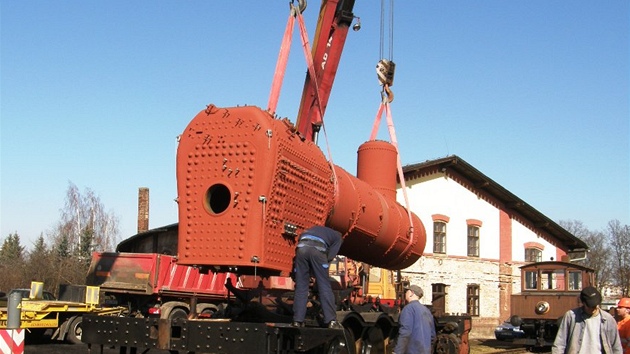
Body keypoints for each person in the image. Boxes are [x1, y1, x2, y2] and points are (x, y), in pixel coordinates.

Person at [291, 225, 343, 329]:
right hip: (317, 250)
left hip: (301, 249)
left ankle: (297, 321)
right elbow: (330, 256)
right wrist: (319, 269)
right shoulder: (338, 237)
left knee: (301, 286)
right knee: (324, 286)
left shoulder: (315, 229)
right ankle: (331, 321)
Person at [552, 286, 622, 354]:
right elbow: (560, 343)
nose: (594, 308)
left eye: (595, 305)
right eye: (590, 306)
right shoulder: (571, 316)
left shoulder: (608, 319)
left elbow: (616, 347)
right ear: (583, 303)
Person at [394, 284, 436, 354]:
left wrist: (398, 352)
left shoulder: (408, 309)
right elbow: (432, 335)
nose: (405, 293)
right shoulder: (427, 311)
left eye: (406, 291)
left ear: (412, 293)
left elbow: (405, 333)